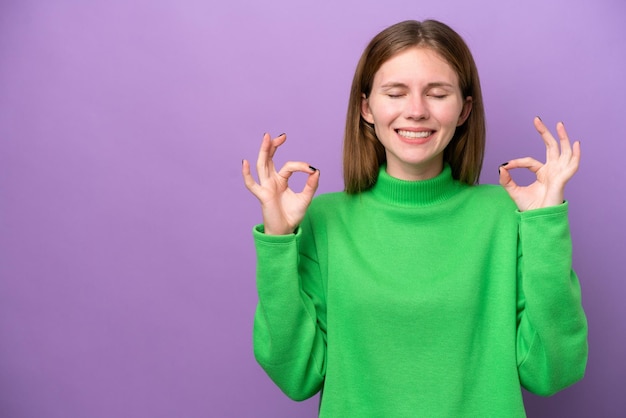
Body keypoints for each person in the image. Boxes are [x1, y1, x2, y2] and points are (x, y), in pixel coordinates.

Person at [242, 19, 588, 417]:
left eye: (438, 93)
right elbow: (297, 376)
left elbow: (553, 371)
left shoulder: (509, 217)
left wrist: (545, 227)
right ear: (366, 107)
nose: (417, 111)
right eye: (396, 93)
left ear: (464, 110)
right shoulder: (323, 220)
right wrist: (277, 241)